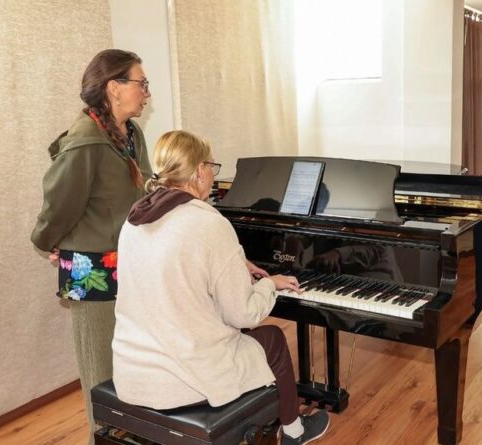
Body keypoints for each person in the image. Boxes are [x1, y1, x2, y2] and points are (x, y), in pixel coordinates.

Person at [112, 130, 330, 445]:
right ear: (199, 171)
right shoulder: (208, 223)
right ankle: (295, 431)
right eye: (212, 165)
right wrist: (268, 284)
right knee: (273, 338)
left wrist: (237, 265)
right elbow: (244, 315)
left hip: (133, 373)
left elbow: (171, 265)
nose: (214, 174)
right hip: (183, 381)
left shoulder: (135, 221)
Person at [30, 49, 154, 443]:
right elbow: (60, 203)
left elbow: (139, 194)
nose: (146, 92)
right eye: (141, 82)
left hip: (129, 261)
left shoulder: (131, 134)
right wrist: (53, 242)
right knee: (101, 368)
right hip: (93, 269)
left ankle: (132, 434)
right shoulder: (86, 142)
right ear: (114, 88)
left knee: (132, 359)